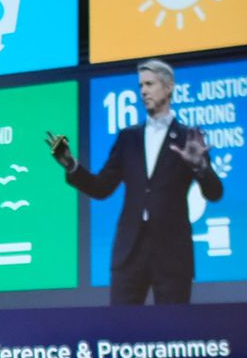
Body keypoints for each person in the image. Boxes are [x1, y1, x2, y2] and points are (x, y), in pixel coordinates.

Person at [47, 59, 225, 305]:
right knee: (121, 332)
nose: (143, 91)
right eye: (141, 85)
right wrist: (71, 165)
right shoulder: (128, 138)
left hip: (172, 254)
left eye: (149, 84)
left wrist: (200, 166)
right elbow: (101, 188)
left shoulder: (188, 138)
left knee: (174, 335)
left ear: (169, 87)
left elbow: (215, 193)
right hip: (129, 253)